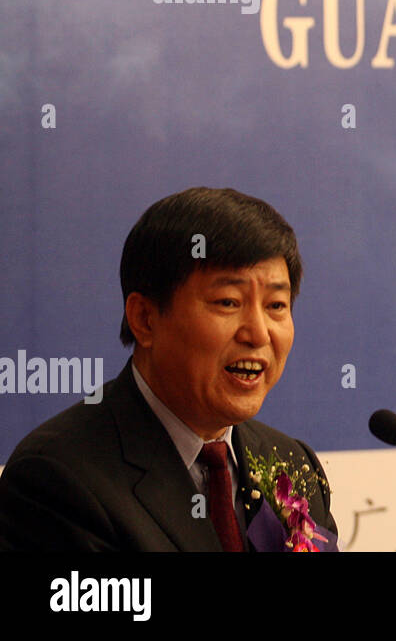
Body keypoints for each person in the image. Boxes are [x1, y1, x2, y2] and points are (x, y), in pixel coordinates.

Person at [0, 187, 337, 551]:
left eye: (276, 305)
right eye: (228, 302)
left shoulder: (293, 464)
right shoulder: (57, 478)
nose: (258, 333)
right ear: (145, 319)